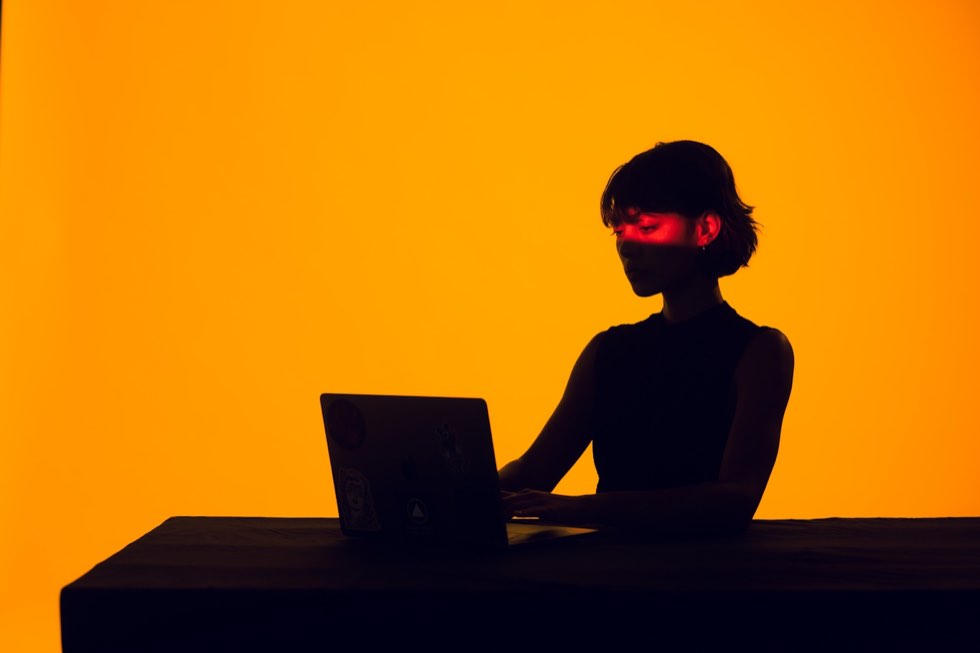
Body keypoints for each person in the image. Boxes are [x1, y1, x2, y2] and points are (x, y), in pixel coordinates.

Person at [498, 140, 795, 535]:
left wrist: (583, 508)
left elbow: (734, 498)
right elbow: (534, 470)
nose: (626, 246)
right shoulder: (608, 351)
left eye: (647, 227)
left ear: (705, 228)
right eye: (619, 231)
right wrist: (447, 493)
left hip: (706, 580)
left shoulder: (760, 352)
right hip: (609, 576)